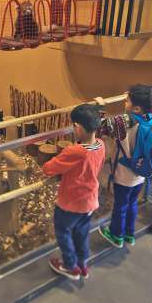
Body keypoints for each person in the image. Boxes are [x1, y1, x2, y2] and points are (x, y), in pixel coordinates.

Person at [43, 104, 105, 281]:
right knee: (82, 233)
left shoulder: (75, 151)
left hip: (71, 203)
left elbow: (49, 168)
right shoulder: (99, 145)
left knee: (63, 231)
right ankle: (83, 263)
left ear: (77, 127)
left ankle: (70, 266)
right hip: (90, 202)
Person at [97, 84, 152, 248]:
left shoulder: (123, 123)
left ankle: (116, 235)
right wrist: (134, 97)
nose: (125, 103)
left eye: (127, 101)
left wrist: (100, 106)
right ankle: (129, 234)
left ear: (137, 108)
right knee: (132, 203)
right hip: (140, 174)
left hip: (124, 175)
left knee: (120, 205)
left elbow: (100, 126)